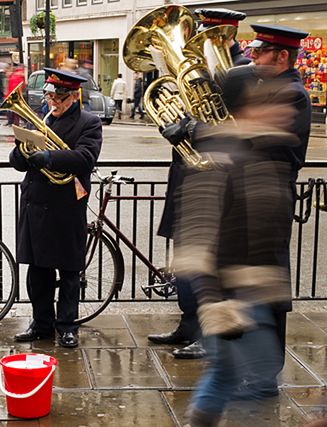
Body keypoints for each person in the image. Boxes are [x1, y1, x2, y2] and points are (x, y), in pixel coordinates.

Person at [175, 24, 310, 425]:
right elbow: (202, 231)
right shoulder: (231, 151)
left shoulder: (294, 95)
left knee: (246, 377)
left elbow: (271, 142)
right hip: (233, 284)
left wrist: (199, 129)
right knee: (238, 378)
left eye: (261, 53)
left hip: (250, 277)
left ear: (282, 55)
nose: (253, 59)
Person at [147, 7, 250, 360]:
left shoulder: (241, 75)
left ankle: (211, 336)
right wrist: (176, 126)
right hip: (190, 178)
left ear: (227, 35)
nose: (198, 41)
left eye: (208, 34)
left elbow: (237, 128)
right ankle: (188, 325)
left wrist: (191, 129)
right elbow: (190, 114)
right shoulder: (196, 68)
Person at [10, 68, 102, 348]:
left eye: (59, 98)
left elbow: (86, 158)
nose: (53, 102)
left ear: (73, 96)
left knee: (69, 271)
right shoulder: (41, 120)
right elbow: (16, 163)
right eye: (50, 96)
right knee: (38, 272)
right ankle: (41, 324)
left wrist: (50, 156)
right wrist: (21, 148)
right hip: (36, 204)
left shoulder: (89, 122)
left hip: (65, 208)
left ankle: (67, 326)